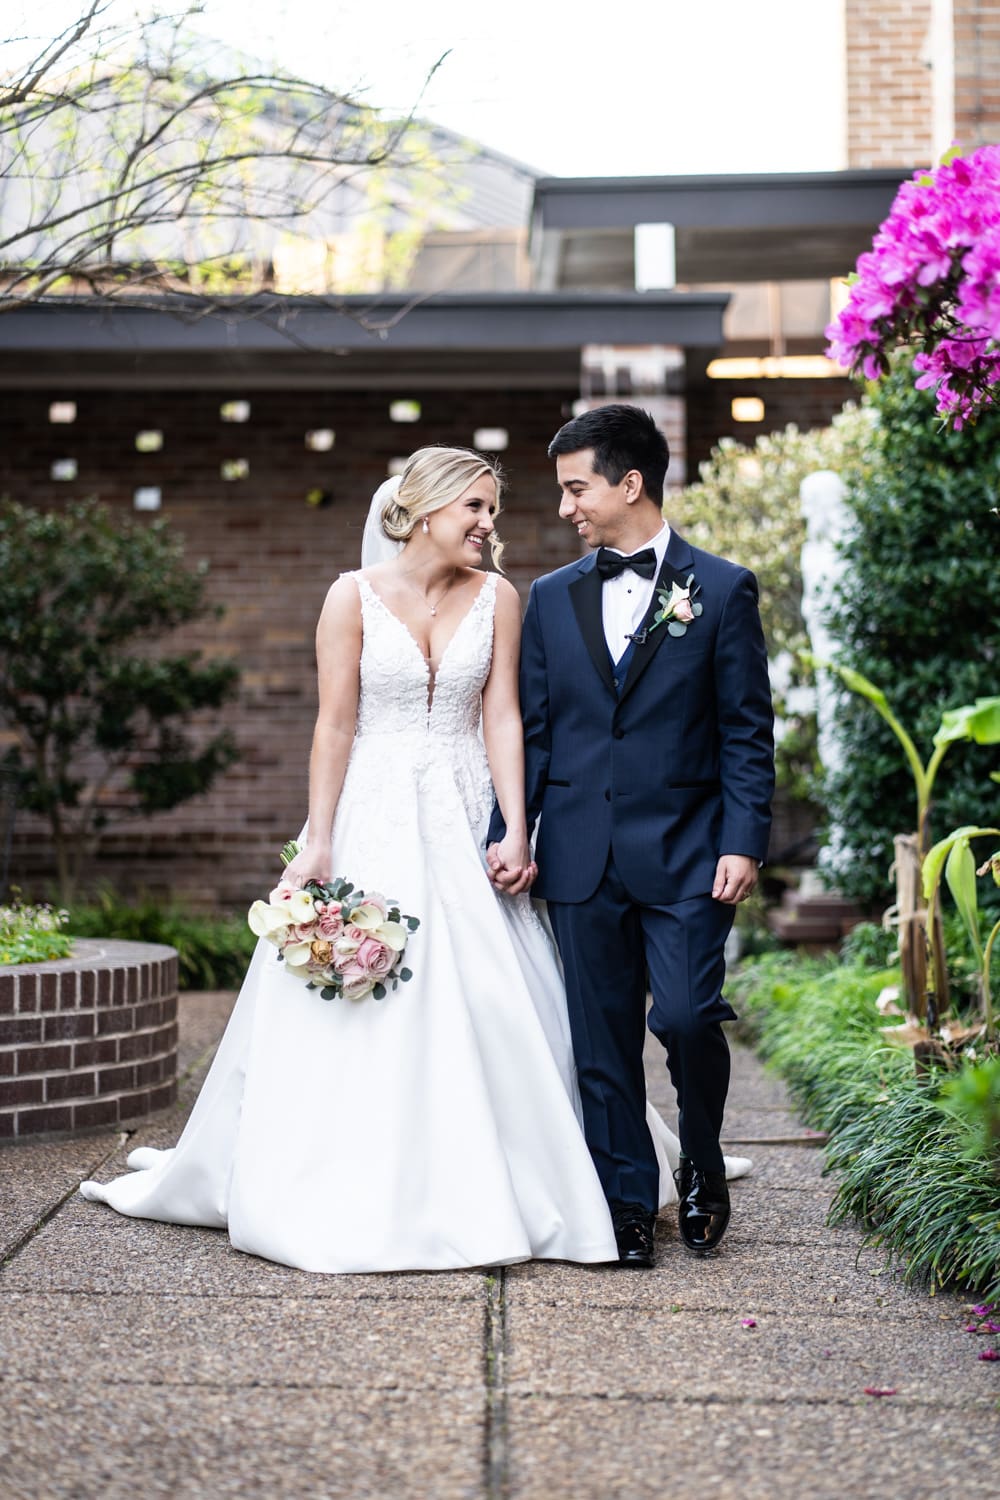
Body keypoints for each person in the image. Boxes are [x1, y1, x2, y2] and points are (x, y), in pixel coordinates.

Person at [81, 444, 749, 1274]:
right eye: (475, 508)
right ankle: (359, 1172)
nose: (488, 525)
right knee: (367, 991)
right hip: (377, 809)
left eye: (491, 510)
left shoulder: (502, 598)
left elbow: (506, 718)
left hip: (467, 809)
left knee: (500, 990)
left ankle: (569, 1170)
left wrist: (513, 827)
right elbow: (335, 724)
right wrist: (318, 838)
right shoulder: (349, 597)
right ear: (425, 509)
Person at [488, 405, 774, 1268]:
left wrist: (744, 839)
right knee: (600, 1041)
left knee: (687, 1018)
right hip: (577, 854)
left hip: (690, 851)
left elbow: (745, 731)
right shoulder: (549, 599)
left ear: (629, 483)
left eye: (578, 487)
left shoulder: (722, 590)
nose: (569, 505)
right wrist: (514, 833)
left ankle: (703, 1164)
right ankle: (621, 1199)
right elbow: (533, 732)